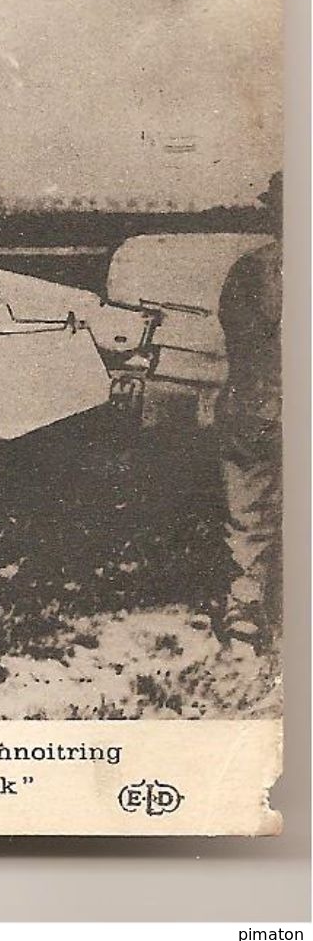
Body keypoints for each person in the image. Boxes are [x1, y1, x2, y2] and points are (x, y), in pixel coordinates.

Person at [213, 226, 282, 652]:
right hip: (267, 399)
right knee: (251, 498)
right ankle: (247, 601)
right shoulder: (255, 271)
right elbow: (249, 354)